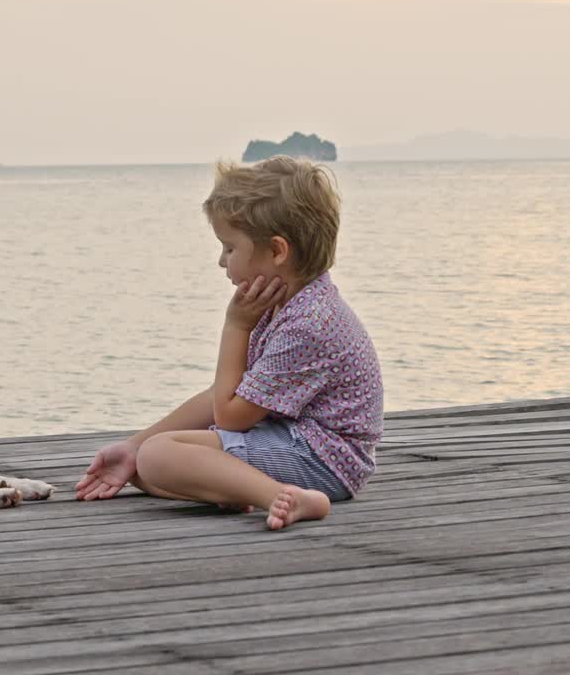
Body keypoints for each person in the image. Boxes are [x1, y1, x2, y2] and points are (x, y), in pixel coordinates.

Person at [74, 156, 383, 529]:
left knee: (158, 457)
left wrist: (235, 327)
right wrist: (133, 445)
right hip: (292, 443)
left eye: (229, 248)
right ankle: (238, 487)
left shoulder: (308, 323)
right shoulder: (283, 304)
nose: (222, 262)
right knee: (141, 467)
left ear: (277, 251)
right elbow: (223, 396)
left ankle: (281, 498)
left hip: (325, 460)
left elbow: (230, 416)